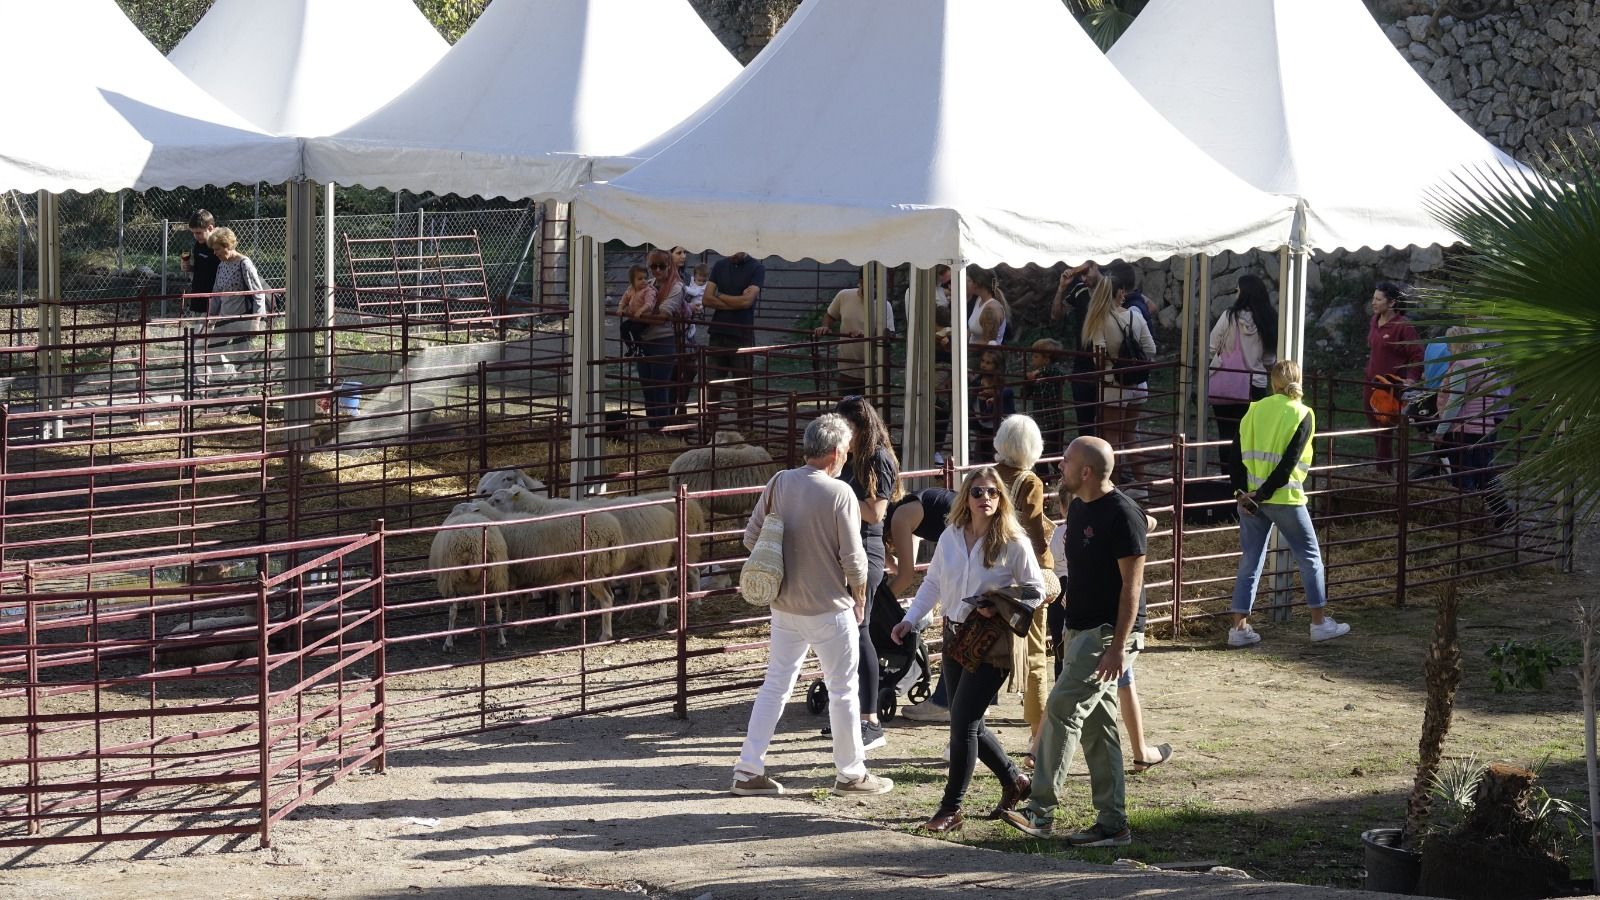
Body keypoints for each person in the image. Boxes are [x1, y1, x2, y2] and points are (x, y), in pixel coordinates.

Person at [731, 414, 894, 798]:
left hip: (784, 606)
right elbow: (855, 560)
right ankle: (851, 774)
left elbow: (751, 537)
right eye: (848, 451)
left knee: (775, 686)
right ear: (836, 453)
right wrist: (860, 599)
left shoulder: (779, 482)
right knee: (843, 690)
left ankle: (747, 770)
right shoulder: (840, 494)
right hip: (829, 608)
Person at [1001, 436, 1146, 846]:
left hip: (1106, 635)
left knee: (1062, 708)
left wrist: (1118, 647)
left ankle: (1040, 811)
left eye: (1066, 460)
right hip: (1079, 631)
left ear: (1086, 471)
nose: (1059, 465)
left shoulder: (1123, 514)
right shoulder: (1079, 506)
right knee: (1098, 728)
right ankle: (1113, 824)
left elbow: (1131, 589)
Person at [891, 466, 1045, 833]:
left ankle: (951, 808)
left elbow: (1037, 589)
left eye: (993, 492)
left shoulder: (1013, 540)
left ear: (1001, 498)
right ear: (966, 497)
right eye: (978, 492)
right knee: (969, 722)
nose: (985, 499)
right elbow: (932, 584)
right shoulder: (950, 536)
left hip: (994, 642)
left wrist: (1000, 602)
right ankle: (1015, 780)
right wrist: (909, 620)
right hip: (955, 637)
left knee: (962, 724)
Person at [1045, 482, 1172, 771]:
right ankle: (1140, 751)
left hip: (1076, 613)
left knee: (1071, 695)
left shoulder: (1062, 532)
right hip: (1096, 618)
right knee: (1095, 695)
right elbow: (1146, 524)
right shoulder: (1091, 521)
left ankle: (1039, 753)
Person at [1227, 360, 1352, 647]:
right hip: (1285, 499)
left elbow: (1234, 455)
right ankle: (1319, 623)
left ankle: (1238, 630)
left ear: (1272, 382)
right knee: (1309, 558)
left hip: (1249, 500)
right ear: (1299, 381)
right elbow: (1288, 463)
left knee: (1250, 560)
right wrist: (1263, 493)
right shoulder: (1303, 413)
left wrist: (1242, 493)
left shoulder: (1254, 410)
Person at [830, 396, 902, 750]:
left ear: (859, 427)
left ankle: (870, 720)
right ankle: (849, 715)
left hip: (865, 551)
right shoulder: (848, 458)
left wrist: (834, 495)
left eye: (845, 429)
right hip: (842, 550)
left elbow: (875, 512)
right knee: (844, 635)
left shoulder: (877, 459)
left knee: (860, 632)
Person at [990, 415, 1057, 764]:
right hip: (1024, 578)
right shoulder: (1029, 482)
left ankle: (967, 730)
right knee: (1034, 655)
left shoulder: (986, 477)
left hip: (990, 576)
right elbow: (1032, 532)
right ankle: (1038, 737)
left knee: (980, 651)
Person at [884, 486, 959, 724]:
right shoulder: (910, 507)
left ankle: (943, 703)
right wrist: (886, 558)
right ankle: (977, 701)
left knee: (957, 617)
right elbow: (905, 569)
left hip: (964, 527)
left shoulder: (899, 518)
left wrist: (879, 603)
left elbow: (905, 577)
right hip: (966, 524)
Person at [1080, 277, 1156, 474]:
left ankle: (1113, 488)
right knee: (1130, 436)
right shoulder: (1135, 316)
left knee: (1110, 439)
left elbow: (1099, 355)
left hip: (1113, 385)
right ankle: (1142, 487)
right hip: (1138, 384)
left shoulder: (1099, 320)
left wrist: (1110, 361)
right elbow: (1151, 348)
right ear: (1119, 293)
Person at [1209, 274, 1279, 475]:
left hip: (1227, 383)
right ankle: (1248, 478)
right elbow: (1269, 359)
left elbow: (1211, 345)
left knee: (1226, 434)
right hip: (1255, 385)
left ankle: (1227, 480)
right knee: (1250, 436)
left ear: (1244, 293)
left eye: (1238, 290)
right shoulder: (1268, 318)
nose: (1236, 294)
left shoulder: (1229, 316)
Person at [702, 252, 766, 436]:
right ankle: (710, 430)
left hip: (741, 335)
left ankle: (744, 431)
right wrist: (735, 301)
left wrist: (720, 295)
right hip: (719, 333)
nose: (730, 253)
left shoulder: (756, 268)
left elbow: (747, 301)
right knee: (713, 385)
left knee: (743, 387)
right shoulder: (720, 266)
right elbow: (706, 298)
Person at [1365, 283, 1424, 473]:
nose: (1374, 302)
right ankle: (1384, 471)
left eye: (1378, 299)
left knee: (1385, 431)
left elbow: (1417, 355)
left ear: (1391, 303)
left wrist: (1412, 379)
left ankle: (1383, 473)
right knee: (1375, 429)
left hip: (1391, 388)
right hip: (1370, 384)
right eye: (1374, 298)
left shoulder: (1403, 326)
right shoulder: (1374, 320)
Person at [202, 227, 269, 388]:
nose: (215, 253)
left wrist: (255, 321)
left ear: (228, 246)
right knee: (211, 349)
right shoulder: (221, 266)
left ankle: (246, 388)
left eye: (217, 249)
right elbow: (217, 294)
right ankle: (230, 377)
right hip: (225, 317)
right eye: (214, 250)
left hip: (242, 318)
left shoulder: (244, 263)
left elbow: (258, 293)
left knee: (241, 355)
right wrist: (210, 319)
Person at [1433, 338, 1500, 493]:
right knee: (1485, 477)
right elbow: (1495, 395)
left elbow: (1455, 401)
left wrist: (1441, 430)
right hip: (1485, 428)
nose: (1448, 349)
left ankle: (1467, 512)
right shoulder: (1486, 364)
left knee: (1463, 479)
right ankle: (1503, 513)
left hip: (1463, 430)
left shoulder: (1460, 366)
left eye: (1450, 344)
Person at [813, 271, 896, 396]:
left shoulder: (885, 306)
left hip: (871, 370)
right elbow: (830, 315)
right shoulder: (844, 296)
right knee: (845, 410)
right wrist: (825, 327)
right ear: (862, 282)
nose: (876, 290)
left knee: (868, 410)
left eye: (879, 286)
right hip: (846, 368)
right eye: (874, 285)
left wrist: (867, 335)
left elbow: (890, 334)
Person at [632, 251, 687, 432]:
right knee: (648, 387)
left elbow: (663, 316)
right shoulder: (649, 284)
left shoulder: (676, 287)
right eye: (653, 266)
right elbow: (634, 303)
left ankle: (661, 430)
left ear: (669, 266)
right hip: (645, 340)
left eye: (661, 266)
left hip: (663, 341)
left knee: (660, 387)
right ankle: (653, 428)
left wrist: (639, 314)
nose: (657, 270)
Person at [1051, 262, 1100, 437]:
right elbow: (1056, 315)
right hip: (1083, 364)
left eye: (1086, 273)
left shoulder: (1110, 289)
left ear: (1097, 265)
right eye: (1081, 275)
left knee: (1108, 424)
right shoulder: (1079, 290)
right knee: (1084, 422)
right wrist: (1061, 289)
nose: (1084, 278)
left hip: (1107, 364)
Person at [1022, 339, 1071, 462]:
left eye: (1036, 356)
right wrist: (1028, 382)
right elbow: (1025, 394)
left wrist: (1038, 372)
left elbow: (1058, 374)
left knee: (1054, 452)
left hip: (1053, 420)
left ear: (1046, 359)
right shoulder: (1035, 377)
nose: (1032, 358)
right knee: (1039, 453)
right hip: (1040, 422)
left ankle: (1058, 475)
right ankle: (1044, 477)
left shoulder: (1053, 373)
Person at [181, 209, 220, 315]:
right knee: (197, 329)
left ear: (210, 228)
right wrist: (189, 267)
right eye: (193, 233)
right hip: (198, 295)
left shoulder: (219, 246)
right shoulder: (198, 244)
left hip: (214, 299)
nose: (196, 236)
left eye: (198, 232)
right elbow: (200, 268)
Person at [966, 266, 1010, 347]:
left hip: (979, 357)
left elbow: (987, 343)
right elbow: (971, 330)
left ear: (976, 283)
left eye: (968, 280)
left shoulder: (991, 309)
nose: (965, 283)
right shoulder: (979, 300)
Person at [617, 264, 655, 354]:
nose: (643, 281)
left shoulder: (648, 290)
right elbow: (623, 300)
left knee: (635, 329)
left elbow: (649, 304)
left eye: (645, 278)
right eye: (640, 279)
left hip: (645, 318)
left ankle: (640, 348)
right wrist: (620, 308)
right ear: (632, 281)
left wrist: (641, 310)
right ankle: (630, 347)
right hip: (634, 317)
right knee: (623, 327)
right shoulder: (631, 289)